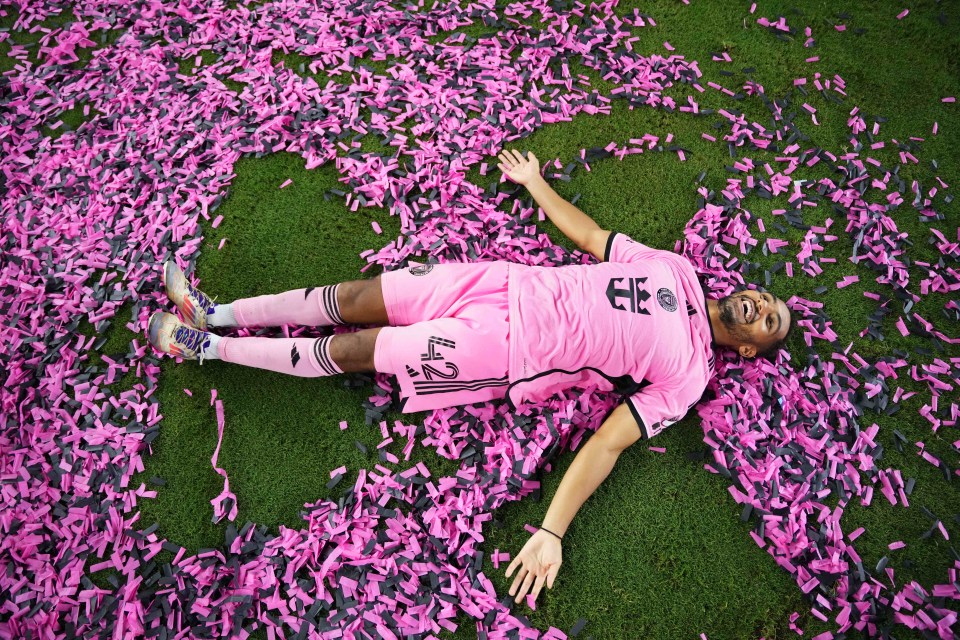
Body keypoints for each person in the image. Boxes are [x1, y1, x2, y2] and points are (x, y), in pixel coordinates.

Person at [147, 149, 792, 606]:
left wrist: (550, 532)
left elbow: (608, 442)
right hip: (499, 281)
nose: (761, 308)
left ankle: (204, 349)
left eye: (770, 322)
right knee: (359, 294)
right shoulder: (677, 269)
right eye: (768, 300)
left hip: (503, 348)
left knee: (362, 349)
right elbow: (594, 236)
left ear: (752, 351)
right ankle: (217, 311)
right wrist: (537, 184)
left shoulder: (687, 376)